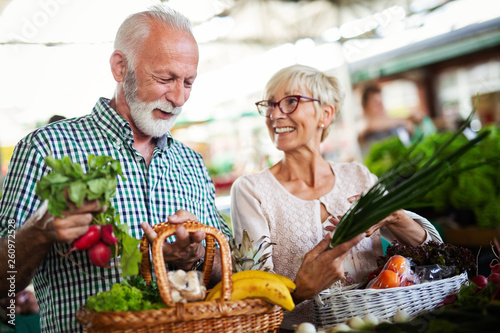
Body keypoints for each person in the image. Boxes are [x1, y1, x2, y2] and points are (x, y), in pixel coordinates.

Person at [0, 6, 230, 332]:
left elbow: (231, 267)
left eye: (188, 82)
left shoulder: (190, 162)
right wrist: (38, 232)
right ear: (120, 67)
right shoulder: (46, 149)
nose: (179, 98)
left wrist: (195, 254)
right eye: (165, 78)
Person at [230, 65, 442, 331]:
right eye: (269, 104)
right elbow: (254, 295)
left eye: (290, 102)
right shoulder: (251, 191)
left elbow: (436, 254)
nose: (274, 114)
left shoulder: (359, 177)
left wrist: (396, 217)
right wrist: (300, 290)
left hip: (382, 325)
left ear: (325, 114)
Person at [358, 84, 415, 157]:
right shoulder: (362, 124)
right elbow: (370, 125)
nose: (381, 106)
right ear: (365, 106)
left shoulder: (389, 124)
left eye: (381, 102)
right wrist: (404, 121)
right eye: (376, 102)